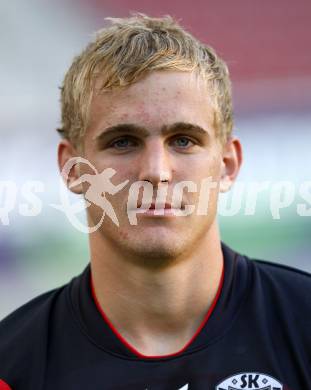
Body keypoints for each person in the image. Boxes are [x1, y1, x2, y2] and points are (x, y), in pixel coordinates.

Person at [0, 14, 310, 390]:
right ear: (73, 169)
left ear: (227, 165)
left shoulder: (303, 325)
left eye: (183, 140)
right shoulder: (12, 367)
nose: (156, 172)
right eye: (123, 141)